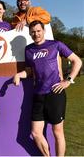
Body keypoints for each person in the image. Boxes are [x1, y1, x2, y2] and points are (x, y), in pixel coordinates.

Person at [13, 20, 82, 156]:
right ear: (30, 33)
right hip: (38, 95)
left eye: (38, 31)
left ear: (43, 31)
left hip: (55, 94)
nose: (36, 34)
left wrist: (68, 80)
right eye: (33, 32)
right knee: (35, 133)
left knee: (57, 132)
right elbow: (30, 71)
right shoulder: (29, 49)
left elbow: (77, 61)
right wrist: (19, 75)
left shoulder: (56, 45)